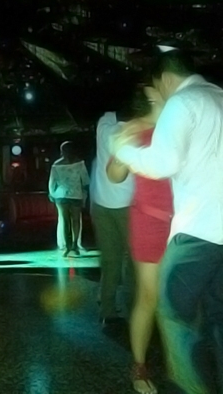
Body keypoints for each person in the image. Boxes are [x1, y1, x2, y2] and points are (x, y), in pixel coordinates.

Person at [113, 50, 223, 394]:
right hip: (162, 220)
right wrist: (123, 147)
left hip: (192, 227)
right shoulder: (214, 98)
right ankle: (144, 367)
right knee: (173, 303)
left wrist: (123, 150)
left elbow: (164, 163)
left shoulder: (184, 106)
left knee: (180, 311)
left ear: (163, 80)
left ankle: (190, 380)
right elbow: (116, 174)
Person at [107, 86, 172, 394]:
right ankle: (139, 365)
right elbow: (114, 175)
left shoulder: (182, 124)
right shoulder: (134, 128)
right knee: (149, 296)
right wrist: (121, 155)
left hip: (188, 221)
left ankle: (181, 362)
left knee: (179, 297)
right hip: (149, 219)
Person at [91, 110, 135, 323]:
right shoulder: (132, 133)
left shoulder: (104, 123)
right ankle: (133, 311)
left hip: (101, 204)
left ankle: (107, 310)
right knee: (133, 262)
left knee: (110, 261)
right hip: (127, 205)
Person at [48, 141, 89, 257]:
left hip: (61, 195)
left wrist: (52, 193)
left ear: (62, 151)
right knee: (76, 220)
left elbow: (52, 182)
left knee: (65, 221)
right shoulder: (79, 163)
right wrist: (85, 194)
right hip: (76, 194)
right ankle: (75, 245)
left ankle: (68, 246)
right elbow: (85, 180)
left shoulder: (56, 165)